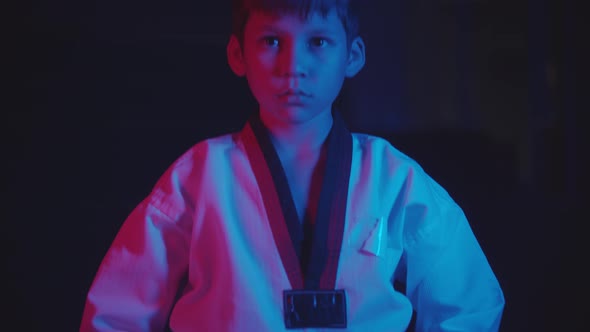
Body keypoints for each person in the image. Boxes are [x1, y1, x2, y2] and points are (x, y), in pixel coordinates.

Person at [80, 0, 505, 331]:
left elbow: (469, 304)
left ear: (353, 55)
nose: (293, 67)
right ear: (237, 54)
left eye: (318, 41)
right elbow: (118, 311)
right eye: (271, 41)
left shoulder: (393, 178)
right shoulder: (200, 176)